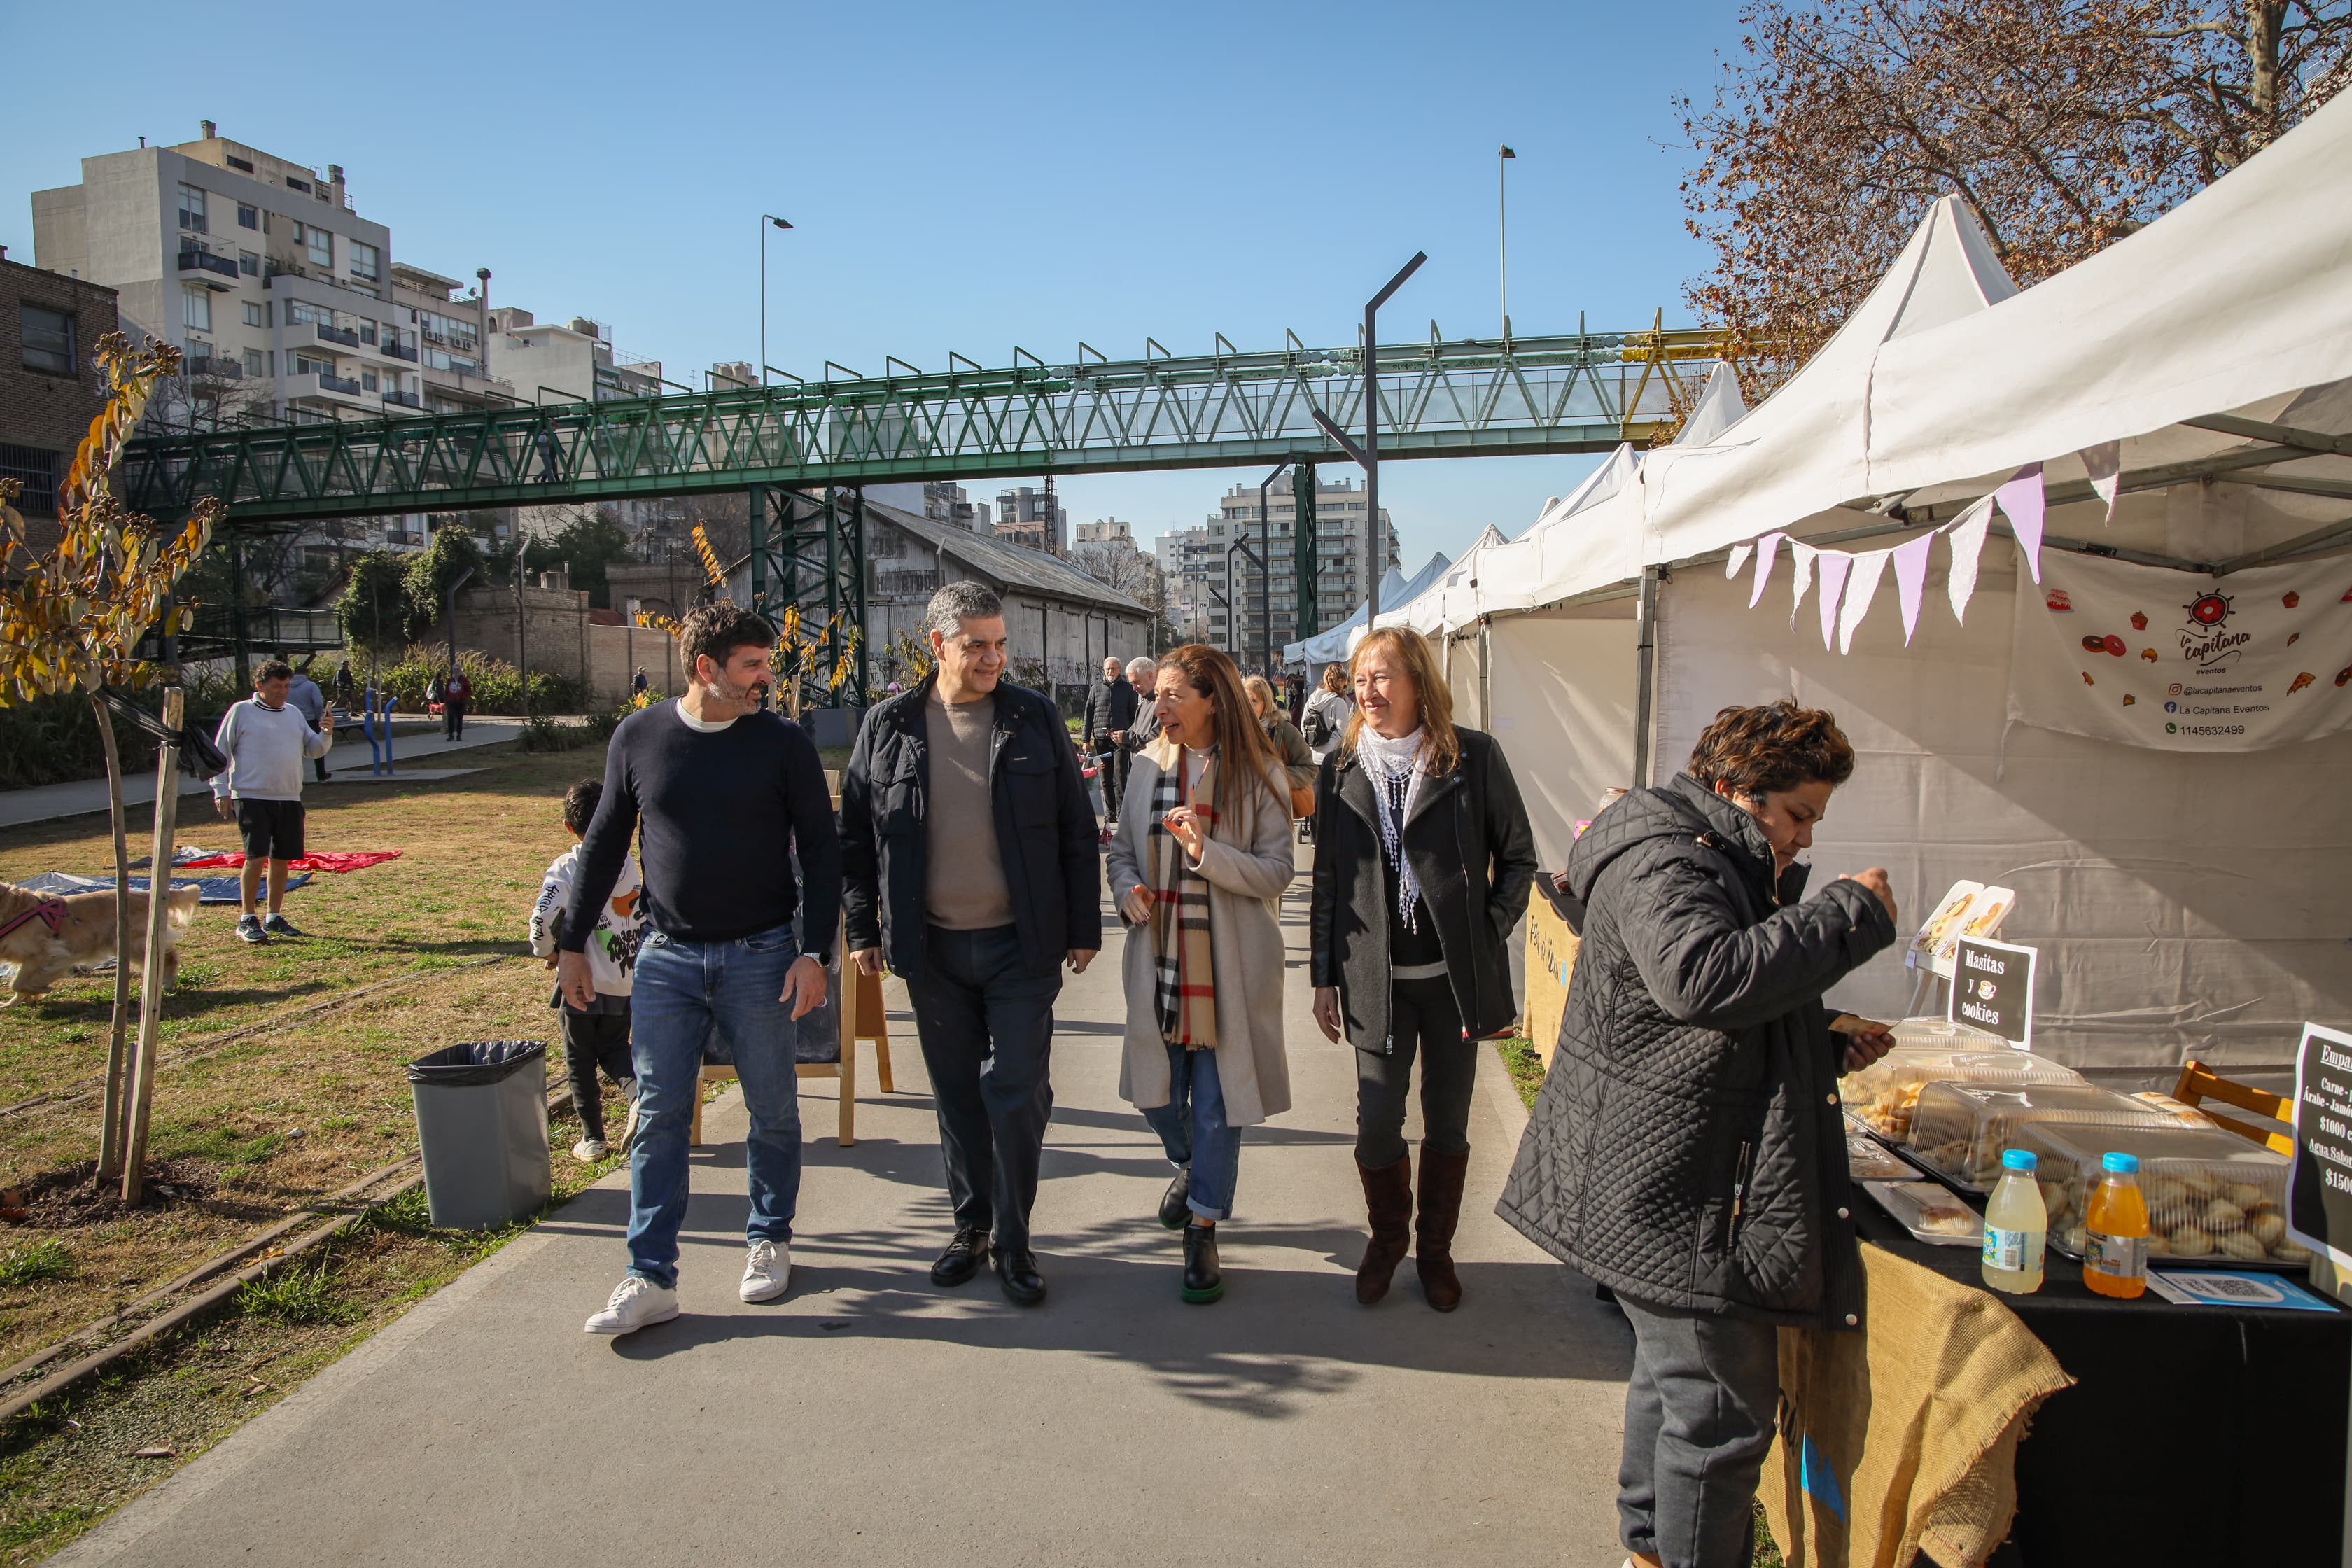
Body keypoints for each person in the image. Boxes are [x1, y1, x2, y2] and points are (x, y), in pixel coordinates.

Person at [1497, 701, 1900, 1568]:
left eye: (1811, 822)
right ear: (1736, 788)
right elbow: (1700, 979)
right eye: (1795, 814)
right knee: (1719, 1412)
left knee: (1681, 1383)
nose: (1798, 838)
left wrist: (1816, 1034)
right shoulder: (1666, 856)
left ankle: (1650, 1545)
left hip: (1669, 1169)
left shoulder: (1699, 850)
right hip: (1670, 1182)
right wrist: (1845, 914)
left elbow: (1702, 1009)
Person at [560, 602, 840, 1336]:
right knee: (657, 1117)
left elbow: (820, 849)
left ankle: (768, 1238)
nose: (766, 678)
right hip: (667, 959)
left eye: (766, 663)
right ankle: (650, 1275)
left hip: (764, 956)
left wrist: (816, 954)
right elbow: (601, 846)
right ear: (705, 668)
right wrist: (570, 943)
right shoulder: (641, 736)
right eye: (752, 664)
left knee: (772, 1109)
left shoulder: (782, 743)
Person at [840, 582, 1102, 1307]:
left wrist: (1083, 927)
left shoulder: (1034, 718)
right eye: (976, 644)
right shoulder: (887, 725)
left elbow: (1077, 830)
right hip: (933, 953)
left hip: (1023, 946)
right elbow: (856, 840)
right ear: (937, 645)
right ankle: (971, 1228)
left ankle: (1017, 1242)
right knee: (957, 1097)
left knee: (1015, 1090)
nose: (993, 657)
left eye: (1000, 643)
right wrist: (864, 929)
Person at [1309, 627, 1537, 1312]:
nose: (1368, 691)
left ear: (1417, 682)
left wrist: (1485, 931)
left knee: (1448, 1122)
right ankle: (1386, 1240)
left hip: (1451, 986)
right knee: (1377, 1120)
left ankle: (1434, 1251)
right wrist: (1324, 973)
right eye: (1360, 677)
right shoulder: (1341, 766)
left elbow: (1519, 859)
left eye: (1382, 676)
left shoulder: (1473, 757)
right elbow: (1328, 879)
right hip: (1374, 983)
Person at [1105, 644, 1296, 1305]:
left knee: (1216, 1107)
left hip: (1232, 969)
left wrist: (1205, 853)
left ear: (1212, 700)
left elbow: (1278, 872)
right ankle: (1190, 1167)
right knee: (1157, 1098)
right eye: (1155, 696)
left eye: (1172, 697)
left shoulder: (1259, 773)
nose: (1158, 709)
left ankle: (1204, 1228)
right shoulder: (1142, 769)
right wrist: (1125, 890)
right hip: (1158, 961)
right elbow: (1122, 853)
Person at [530, 777, 644, 1163]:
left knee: (579, 1058)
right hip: (625, 979)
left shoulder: (567, 867)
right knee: (614, 1047)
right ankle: (638, 1096)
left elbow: (542, 919)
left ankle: (593, 1138)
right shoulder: (628, 864)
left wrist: (549, 953)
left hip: (581, 983)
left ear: (569, 828)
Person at [209, 659, 333, 944]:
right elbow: (221, 754)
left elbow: (313, 750)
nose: (283, 692)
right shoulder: (241, 712)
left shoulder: (292, 714)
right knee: (255, 858)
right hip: (251, 795)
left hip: (288, 796)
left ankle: (274, 916)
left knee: (281, 859)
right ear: (260, 686)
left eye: (287, 686)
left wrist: (326, 733)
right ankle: (247, 917)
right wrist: (221, 790)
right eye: (276, 687)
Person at [1240, 673, 1316, 822]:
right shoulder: (1235, 730)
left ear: (1266, 703)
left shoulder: (1284, 730)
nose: (1248, 706)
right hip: (1242, 813)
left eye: (1254, 701)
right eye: (1245, 701)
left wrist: (1276, 776)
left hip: (1275, 814)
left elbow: (1309, 769)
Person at [1082, 653, 1140, 844]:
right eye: (1107, 668)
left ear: (1119, 670)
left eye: (1113, 668)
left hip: (1121, 742)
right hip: (1101, 740)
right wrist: (1085, 739)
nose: (1110, 672)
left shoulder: (1128, 690)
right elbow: (1088, 715)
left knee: (1120, 775)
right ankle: (1111, 812)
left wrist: (1130, 737)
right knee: (1105, 777)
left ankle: (1123, 811)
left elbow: (1134, 716)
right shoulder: (1096, 689)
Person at [284, 657, 331, 784]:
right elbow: (318, 704)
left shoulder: (286, 687)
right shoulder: (311, 686)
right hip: (310, 719)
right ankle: (321, 775)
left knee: (292, 749)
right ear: (306, 674)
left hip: (290, 720)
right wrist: (318, 717)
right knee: (318, 746)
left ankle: (290, 777)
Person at [1299, 664, 1354, 762]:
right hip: (1332, 756)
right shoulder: (1339, 702)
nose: (1345, 688)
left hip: (1312, 755)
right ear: (1340, 682)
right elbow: (1344, 732)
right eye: (1345, 685)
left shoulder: (1312, 699)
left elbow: (1303, 726)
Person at [442, 664, 472, 741]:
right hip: (451, 702)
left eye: (458, 670)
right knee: (451, 718)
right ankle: (451, 734)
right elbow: (446, 692)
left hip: (460, 703)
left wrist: (464, 698)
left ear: (460, 671)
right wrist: (446, 702)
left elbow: (468, 691)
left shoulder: (464, 680)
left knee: (459, 719)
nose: (456, 671)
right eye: (455, 669)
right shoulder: (450, 680)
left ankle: (459, 735)